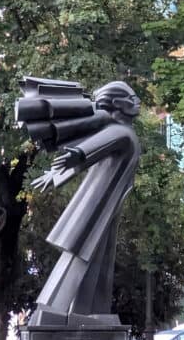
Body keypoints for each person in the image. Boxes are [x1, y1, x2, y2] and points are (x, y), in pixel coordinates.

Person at [17, 79, 142, 326]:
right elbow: (89, 151)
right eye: (131, 98)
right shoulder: (121, 132)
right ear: (117, 104)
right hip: (97, 204)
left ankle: (89, 313)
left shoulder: (121, 131)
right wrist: (71, 159)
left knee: (98, 256)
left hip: (106, 205)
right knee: (81, 253)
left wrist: (63, 170)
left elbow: (88, 156)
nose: (137, 101)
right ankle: (54, 309)